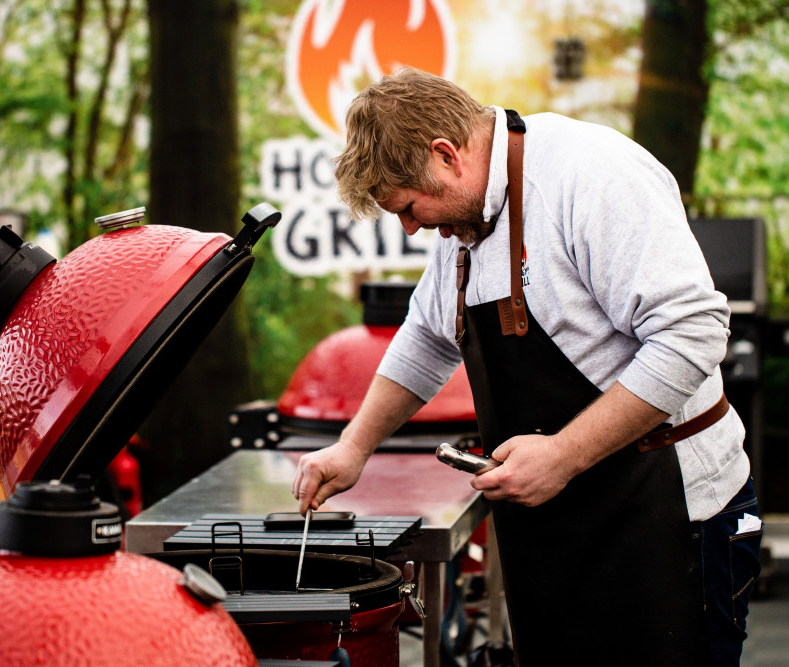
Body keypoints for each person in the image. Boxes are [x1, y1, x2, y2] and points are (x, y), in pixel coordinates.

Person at [291, 68, 763, 666]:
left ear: (447, 155)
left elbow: (692, 334)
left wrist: (563, 454)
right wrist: (352, 448)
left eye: (410, 207)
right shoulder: (463, 226)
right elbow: (426, 340)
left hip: (673, 526)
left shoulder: (590, 176)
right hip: (557, 535)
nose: (412, 227)